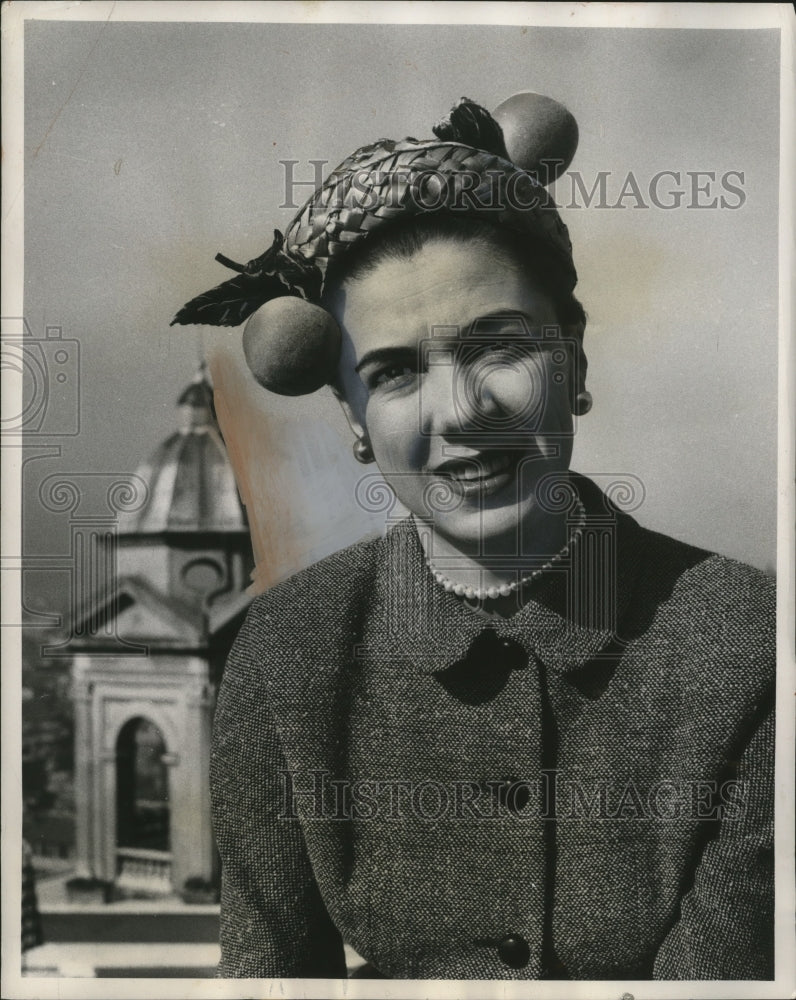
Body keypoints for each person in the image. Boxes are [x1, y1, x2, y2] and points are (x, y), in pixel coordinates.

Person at [173, 96, 775, 980]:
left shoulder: (751, 643)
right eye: (395, 371)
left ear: (574, 360)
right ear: (352, 416)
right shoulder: (287, 653)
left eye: (499, 346)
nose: (461, 413)